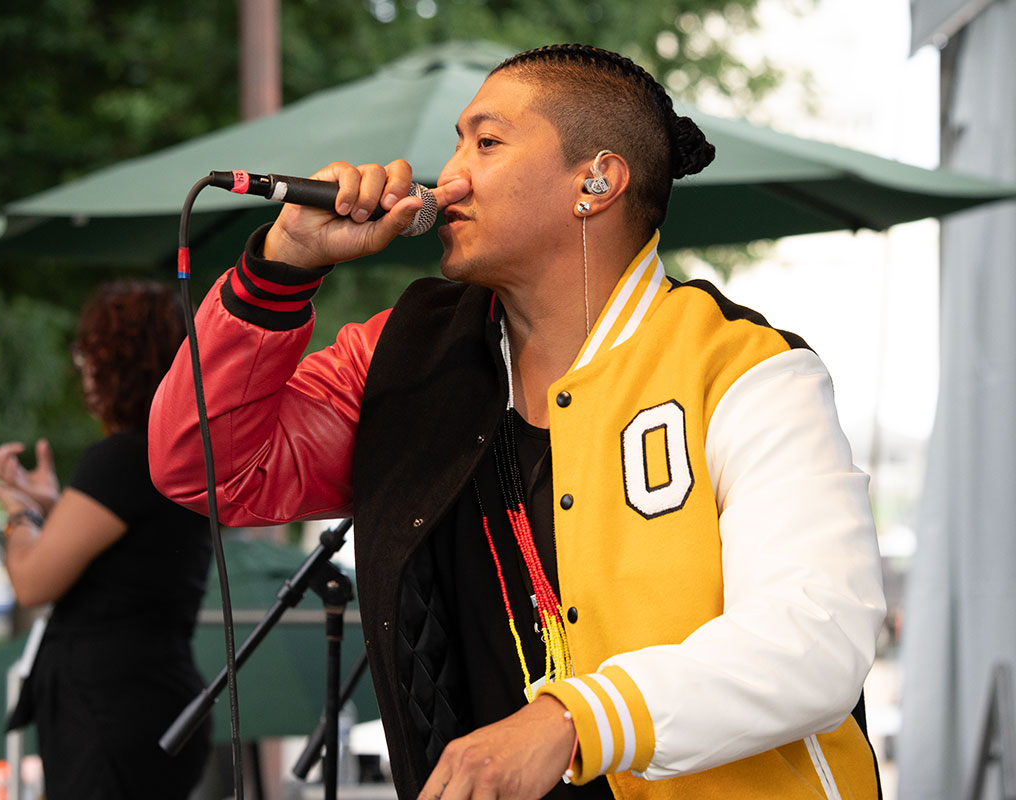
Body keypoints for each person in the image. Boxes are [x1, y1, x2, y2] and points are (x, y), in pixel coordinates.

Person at [147, 44, 886, 800]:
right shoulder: (403, 357)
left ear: (596, 180)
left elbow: (817, 638)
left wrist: (575, 719)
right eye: (458, 141)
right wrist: (280, 270)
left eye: (487, 141)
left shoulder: (746, 372)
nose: (450, 172)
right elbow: (209, 468)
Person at [0, 280, 213, 799]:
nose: (80, 367)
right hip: (154, 705)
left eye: (90, 355)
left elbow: (34, 582)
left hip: (112, 714)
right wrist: (51, 510)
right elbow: (126, 559)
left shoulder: (121, 460)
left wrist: (18, 514)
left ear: (118, 365)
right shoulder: (178, 455)